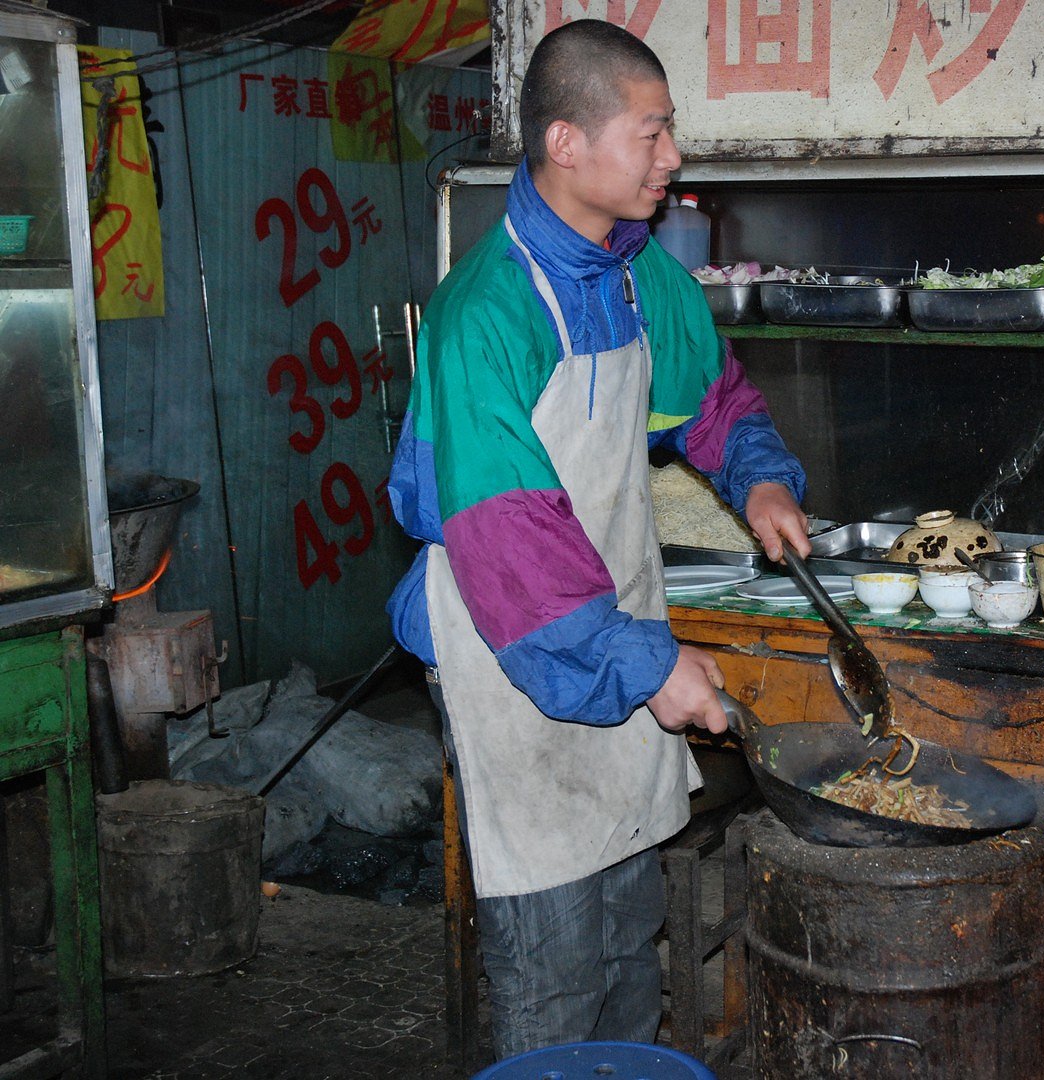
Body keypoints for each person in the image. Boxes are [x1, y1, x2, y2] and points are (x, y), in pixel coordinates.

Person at [383, 19, 811, 1058]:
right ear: (567, 142)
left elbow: (709, 398)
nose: (673, 156)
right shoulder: (485, 313)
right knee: (554, 963)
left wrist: (755, 479)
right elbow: (512, 545)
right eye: (652, 132)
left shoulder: (637, 275)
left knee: (630, 939)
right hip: (518, 652)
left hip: (612, 636)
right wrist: (644, 661)